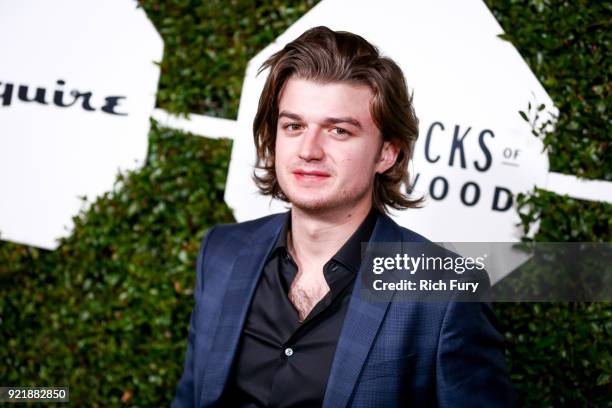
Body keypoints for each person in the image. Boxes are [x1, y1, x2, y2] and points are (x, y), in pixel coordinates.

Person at [172, 26, 514, 407]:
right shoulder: (222, 251)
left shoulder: (444, 291)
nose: (308, 150)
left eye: (338, 130)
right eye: (294, 126)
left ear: (388, 153)